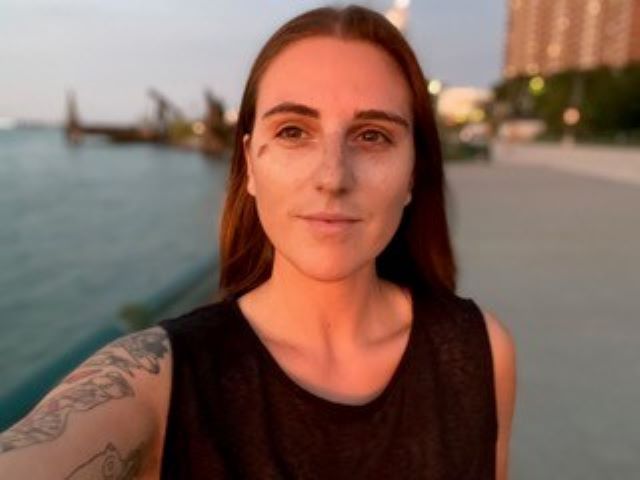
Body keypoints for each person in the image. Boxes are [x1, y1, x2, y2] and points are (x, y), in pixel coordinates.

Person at [0, 5, 516, 479]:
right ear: (249, 163)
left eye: (372, 136)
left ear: (412, 174)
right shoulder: (160, 379)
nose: (332, 177)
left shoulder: (480, 354)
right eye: (293, 131)